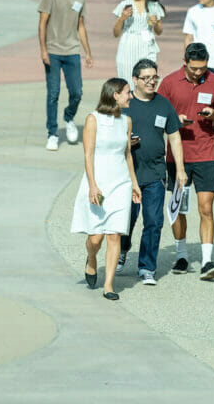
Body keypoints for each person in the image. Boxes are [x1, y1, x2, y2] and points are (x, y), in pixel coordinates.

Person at [158, 43, 214, 280]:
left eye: (202, 68)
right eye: (194, 68)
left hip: (206, 154)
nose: (198, 72)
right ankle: (181, 255)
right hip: (178, 155)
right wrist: (175, 120)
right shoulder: (169, 82)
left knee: (206, 207)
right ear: (185, 61)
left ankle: (207, 261)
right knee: (179, 209)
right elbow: (158, 118)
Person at [117, 60, 187, 285]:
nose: (151, 82)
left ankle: (147, 267)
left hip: (156, 173)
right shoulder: (125, 104)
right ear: (135, 80)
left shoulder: (164, 105)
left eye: (154, 77)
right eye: (146, 78)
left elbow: (174, 136)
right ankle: (122, 248)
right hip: (129, 174)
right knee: (127, 219)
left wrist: (180, 169)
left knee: (154, 221)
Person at [70, 78, 142, 300]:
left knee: (114, 235)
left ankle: (109, 285)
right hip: (99, 183)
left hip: (121, 183)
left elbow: (127, 154)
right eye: (128, 93)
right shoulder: (93, 119)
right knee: (96, 238)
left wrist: (134, 184)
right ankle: (91, 259)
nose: (131, 96)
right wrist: (92, 184)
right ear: (115, 95)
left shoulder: (126, 121)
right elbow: (88, 155)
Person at [38, 0, 93, 151]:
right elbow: (42, 23)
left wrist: (87, 52)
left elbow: (81, 26)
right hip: (53, 51)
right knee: (53, 93)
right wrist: (43, 50)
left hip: (72, 52)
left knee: (77, 91)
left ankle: (69, 117)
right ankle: (52, 134)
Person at [113, 0, 165, 82]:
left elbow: (159, 31)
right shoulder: (125, 4)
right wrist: (122, 18)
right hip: (128, 45)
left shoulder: (154, 6)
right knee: (127, 79)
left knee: (148, 78)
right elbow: (116, 33)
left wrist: (155, 22)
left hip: (147, 45)